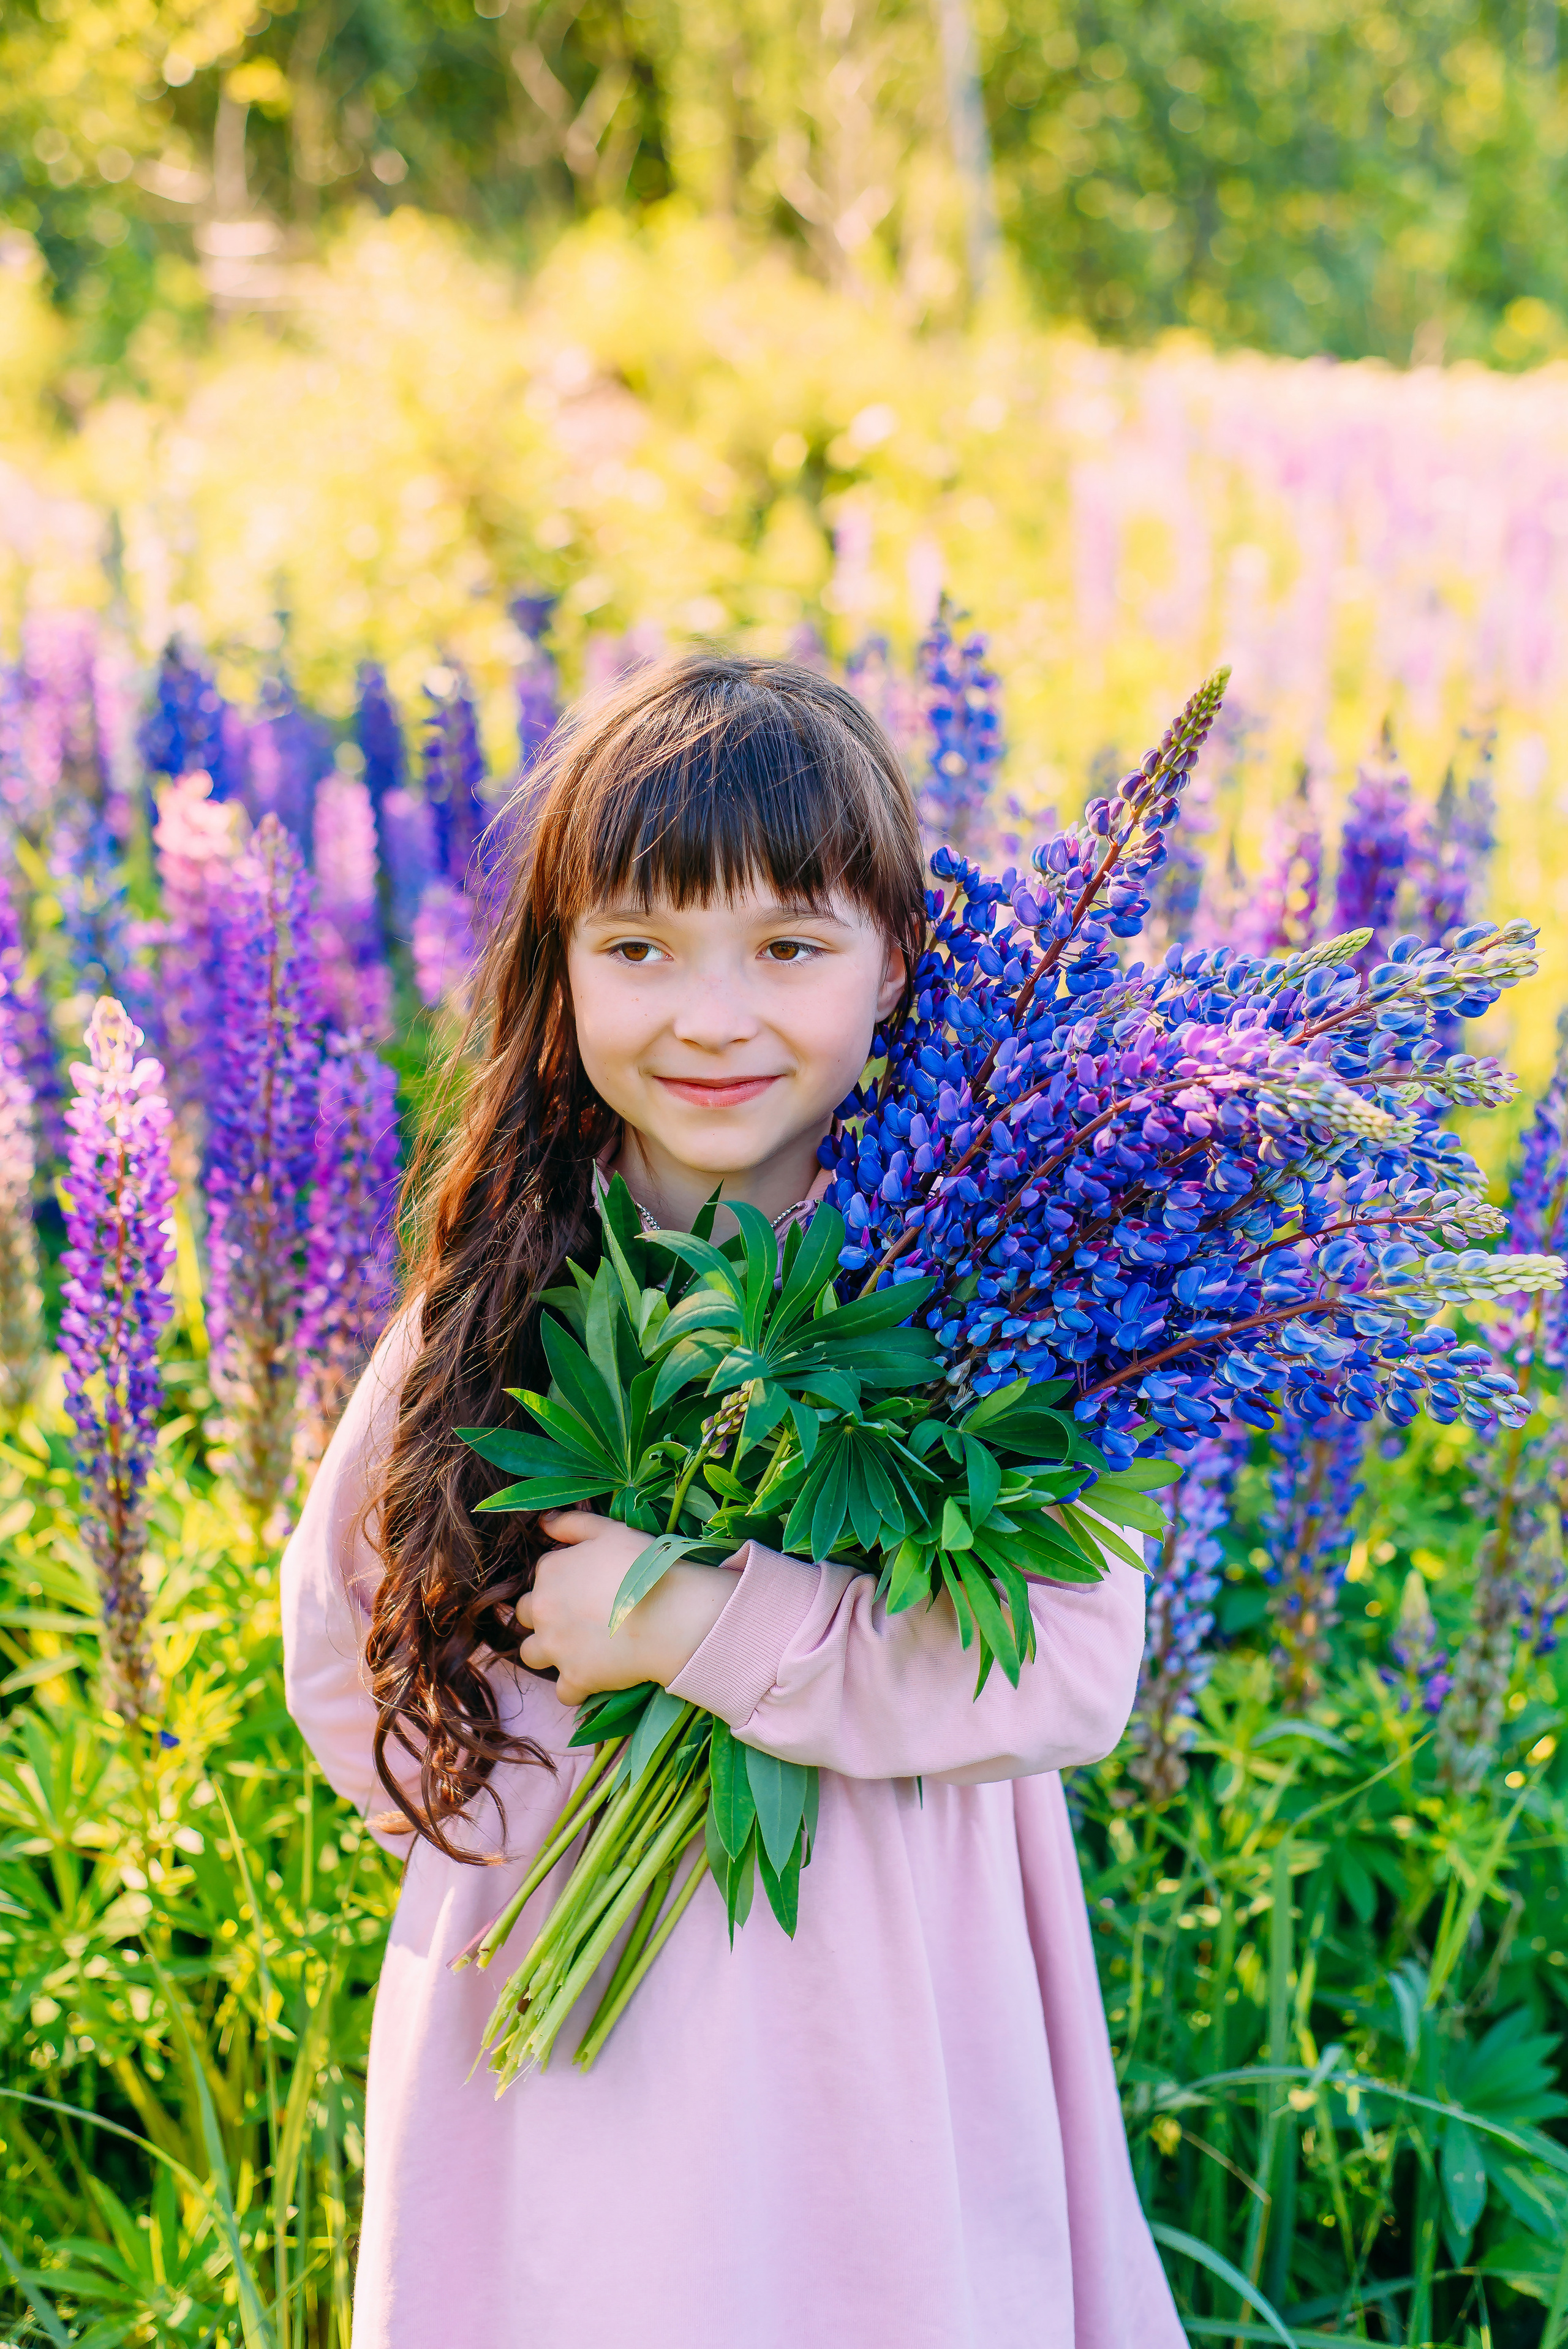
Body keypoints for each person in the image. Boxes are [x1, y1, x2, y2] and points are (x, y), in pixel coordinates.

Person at [281, 652, 1185, 2348]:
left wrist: (706, 1624)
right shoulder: (497, 1294)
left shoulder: (996, 1302)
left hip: (884, 2024)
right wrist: (523, 1840)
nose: (709, 1015)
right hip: (567, 2067)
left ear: (898, 958)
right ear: (560, 972)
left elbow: (1070, 1669)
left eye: (787, 945)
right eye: (638, 948)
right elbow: (340, 1648)